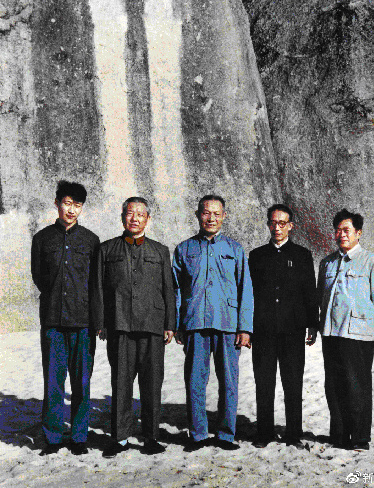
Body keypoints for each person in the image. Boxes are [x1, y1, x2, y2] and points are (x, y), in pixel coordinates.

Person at [93, 197, 175, 458]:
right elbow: (98, 288)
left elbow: (169, 289)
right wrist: (101, 322)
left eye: (140, 214)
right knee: (121, 383)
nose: (135, 218)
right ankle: (120, 437)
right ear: (122, 217)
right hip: (120, 324)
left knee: (152, 383)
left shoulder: (160, 251)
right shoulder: (107, 250)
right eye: (130, 213)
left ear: (148, 219)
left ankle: (151, 437)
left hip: (152, 325)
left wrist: (170, 324)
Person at [172, 195, 253, 451]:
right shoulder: (184, 249)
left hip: (227, 324)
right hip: (195, 322)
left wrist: (245, 328)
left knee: (228, 382)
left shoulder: (234, 249)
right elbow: (176, 290)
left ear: (224, 216)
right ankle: (197, 434)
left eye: (217, 214)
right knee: (195, 381)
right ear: (198, 215)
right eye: (206, 213)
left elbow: (245, 289)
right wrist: (178, 324)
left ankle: (226, 435)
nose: (211, 218)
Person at [318, 209, 374, 451]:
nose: (341, 234)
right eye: (338, 230)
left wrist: (371, 326)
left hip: (358, 335)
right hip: (331, 333)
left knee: (357, 387)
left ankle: (360, 438)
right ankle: (340, 435)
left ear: (359, 233)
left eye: (347, 230)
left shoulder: (372, 262)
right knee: (334, 386)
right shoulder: (327, 263)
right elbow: (321, 296)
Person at [31, 180, 100, 456]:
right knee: (53, 381)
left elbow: (95, 284)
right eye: (67, 203)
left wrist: (96, 321)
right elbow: (39, 277)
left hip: (83, 323)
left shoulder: (91, 240)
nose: (71, 210)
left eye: (77, 205)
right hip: (53, 322)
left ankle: (79, 437)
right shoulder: (42, 239)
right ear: (57, 203)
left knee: (82, 382)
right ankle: (53, 437)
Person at [249, 204, 318, 449]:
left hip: (293, 330)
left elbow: (310, 292)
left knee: (293, 383)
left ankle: (293, 433)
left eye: (282, 223)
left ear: (290, 226)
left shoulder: (302, 255)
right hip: (263, 330)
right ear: (268, 224)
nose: (277, 228)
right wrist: (247, 327)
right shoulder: (256, 256)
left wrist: (312, 324)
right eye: (273, 223)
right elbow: (249, 294)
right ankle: (264, 432)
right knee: (264, 382)